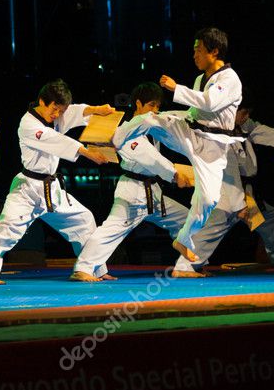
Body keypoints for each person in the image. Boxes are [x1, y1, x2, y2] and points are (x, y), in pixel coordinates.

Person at [112, 27, 243, 263]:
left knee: (209, 199)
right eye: (194, 50)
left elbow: (210, 103)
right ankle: (116, 138)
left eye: (199, 51)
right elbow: (195, 111)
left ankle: (184, 238)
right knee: (152, 118)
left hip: (213, 146)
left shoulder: (229, 78)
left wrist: (175, 89)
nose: (195, 55)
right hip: (192, 131)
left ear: (214, 52)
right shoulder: (200, 78)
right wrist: (174, 117)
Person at [0, 79, 114, 284]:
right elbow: (55, 140)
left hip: (52, 188)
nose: (57, 114)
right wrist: (86, 152)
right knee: (7, 229)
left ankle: (91, 269)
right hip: (27, 188)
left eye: (60, 111)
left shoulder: (56, 116)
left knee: (83, 219)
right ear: (42, 101)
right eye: (54, 109)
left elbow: (75, 112)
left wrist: (97, 109)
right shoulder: (28, 123)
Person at [171, 102, 274, 275]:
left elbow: (266, 132)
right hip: (225, 191)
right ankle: (184, 266)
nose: (246, 117)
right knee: (214, 225)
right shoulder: (216, 131)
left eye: (248, 113)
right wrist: (240, 204)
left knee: (270, 218)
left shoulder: (243, 125)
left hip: (245, 193)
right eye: (244, 112)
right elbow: (229, 172)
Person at [71, 82, 194, 281]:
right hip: (133, 191)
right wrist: (174, 173)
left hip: (152, 192)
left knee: (187, 220)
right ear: (138, 104)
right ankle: (84, 268)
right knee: (112, 230)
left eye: (157, 107)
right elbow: (150, 158)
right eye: (151, 106)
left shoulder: (153, 130)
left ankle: (186, 266)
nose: (155, 111)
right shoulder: (127, 131)